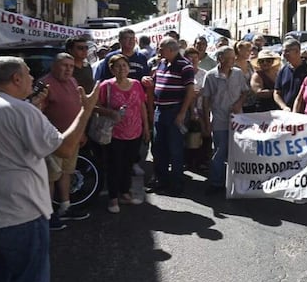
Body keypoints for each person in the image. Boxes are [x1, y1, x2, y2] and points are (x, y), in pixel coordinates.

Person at [0, 57, 98, 282]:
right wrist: (87, 110)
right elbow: (66, 148)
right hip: (21, 217)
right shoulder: (21, 111)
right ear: (15, 79)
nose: (32, 78)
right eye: (27, 73)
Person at [41, 53, 90, 223]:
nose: (68, 69)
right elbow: (37, 114)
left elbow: (76, 108)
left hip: (72, 140)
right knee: (50, 177)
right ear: (54, 66)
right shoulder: (45, 85)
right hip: (53, 141)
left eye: (71, 66)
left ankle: (65, 207)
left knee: (66, 173)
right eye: (64, 65)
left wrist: (81, 132)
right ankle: (48, 214)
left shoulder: (73, 82)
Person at [98, 55, 149, 213]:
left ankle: (124, 193)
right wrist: (110, 112)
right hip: (114, 133)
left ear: (129, 68)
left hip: (135, 132)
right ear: (112, 69)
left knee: (128, 165)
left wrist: (146, 127)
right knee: (114, 166)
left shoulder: (136, 84)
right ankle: (113, 198)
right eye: (117, 66)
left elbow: (142, 106)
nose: (121, 69)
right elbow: (94, 106)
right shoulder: (106, 86)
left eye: (124, 66)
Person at [148, 37, 195, 194]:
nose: (158, 51)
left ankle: (176, 184)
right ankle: (161, 180)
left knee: (175, 149)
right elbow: (156, 83)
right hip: (159, 111)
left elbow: (190, 91)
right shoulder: (161, 63)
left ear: (171, 49)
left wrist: (182, 113)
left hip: (175, 111)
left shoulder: (185, 66)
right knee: (158, 147)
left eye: (161, 48)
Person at [203, 46, 247, 194]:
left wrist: (239, 103)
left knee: (238, 151)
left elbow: (244, 92)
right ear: (220, 58)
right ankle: (217, 183)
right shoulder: (210, 76)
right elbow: (206, 100)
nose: (232, 60)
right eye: (229, 58)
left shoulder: (238, 73)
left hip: (237, 120)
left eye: (233, 58)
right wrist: (207, 121)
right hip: (219, 118)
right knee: (219, 151)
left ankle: (236, 182)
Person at [274, 39, 307, 111]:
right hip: (287, 115)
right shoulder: (283, 70)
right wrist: (283, 107)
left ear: (297, 51)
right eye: (283, 51)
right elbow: (277, 93)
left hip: (305, 114)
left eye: (287, 51)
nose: (284, 54)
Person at [233, 41, 256, 112]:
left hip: (251, 101)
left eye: (250, 50)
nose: (250, 53)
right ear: (239, 50)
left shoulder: (250, 64)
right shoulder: (232, 65)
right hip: (236, 101)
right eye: (247, 50)